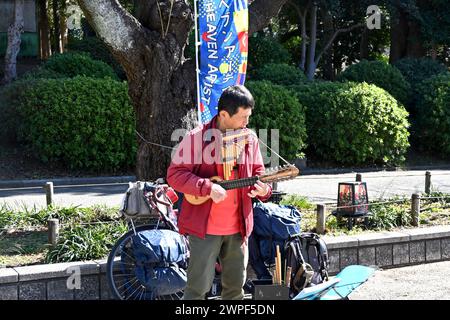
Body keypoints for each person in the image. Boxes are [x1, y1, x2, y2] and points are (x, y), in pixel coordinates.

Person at [166, 85, 272, 300]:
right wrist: (207, 187)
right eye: (243, 117)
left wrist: (264, 190)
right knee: (196, 290)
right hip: (204, 230)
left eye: (248, 117)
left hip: (238, 229)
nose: (247, 123)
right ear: (224, 114)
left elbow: (259, 173)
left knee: (235, 291)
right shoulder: (197, 137)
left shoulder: (249, 139)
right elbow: (175, 175)